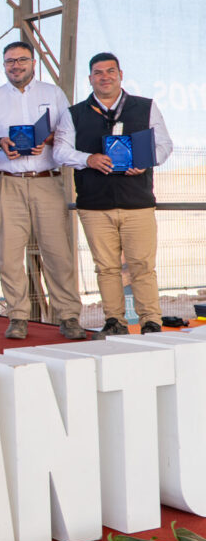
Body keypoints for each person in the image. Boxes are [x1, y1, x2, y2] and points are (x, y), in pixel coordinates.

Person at [54, 52, 173, 337]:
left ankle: (150, 321)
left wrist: (145, 161)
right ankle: (114, 320)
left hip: (137, 203)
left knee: (142, 266)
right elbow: (60, 151)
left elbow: (165, 145)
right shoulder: (74, 114)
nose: (104, 77)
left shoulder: (145, 107)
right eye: (98, 72)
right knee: (106, 268)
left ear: (120, 75)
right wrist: (88, 159)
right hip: (95, 205)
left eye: (110, 71)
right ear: (90, 78)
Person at [0, 41, 86, 340]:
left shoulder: (53, 94)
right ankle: (18, 316)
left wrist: (47, 139)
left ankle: (69, 316)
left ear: (33, 62)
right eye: (10, 61)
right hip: (7, 182)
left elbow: (69, 132)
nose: (16, 66)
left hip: (46, 181)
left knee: (58, 252)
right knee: (8, 254)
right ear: (4, 65)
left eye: (22, 60)